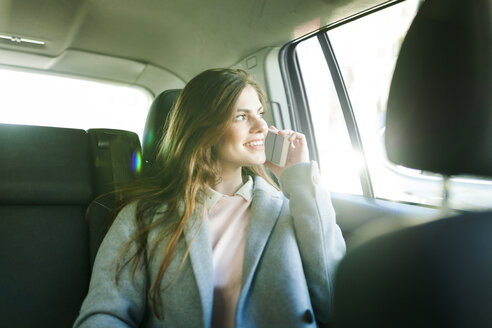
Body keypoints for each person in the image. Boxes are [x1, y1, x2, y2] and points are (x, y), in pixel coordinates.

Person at [73, 68, 346, 328]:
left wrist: (298, 176)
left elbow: (334, 301)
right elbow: (105, 315)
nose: (262, 125)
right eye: (241, 116)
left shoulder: (292, 209)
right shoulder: (141, 216)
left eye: (260, 113)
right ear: (204, 129)